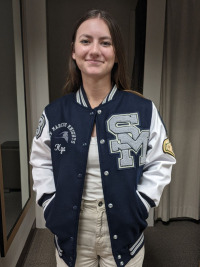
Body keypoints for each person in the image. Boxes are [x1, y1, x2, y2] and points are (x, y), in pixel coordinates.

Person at [30, 9, 176, 267]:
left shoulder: (143, 110)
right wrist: (51, 204)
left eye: (105, 42)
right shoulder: (54, 113)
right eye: (86, 41)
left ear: (116, 53)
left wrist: (141, 205)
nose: (94, 50)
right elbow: (41, 162)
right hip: (72, 230)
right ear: (74, 51)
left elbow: (161, 161)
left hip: (124, 225)